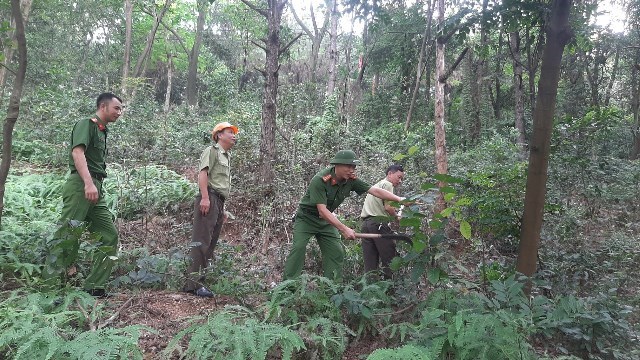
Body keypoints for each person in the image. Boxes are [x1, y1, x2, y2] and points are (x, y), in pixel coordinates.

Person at [44, 92, 123, 297]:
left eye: (121, 109)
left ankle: (94, 286)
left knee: (109, 235)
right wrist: (88, 184)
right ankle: (50, 290)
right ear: (103, 106)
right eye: (116, 108)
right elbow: (77, 153)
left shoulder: (102, 130)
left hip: (96, 186)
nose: (119, 113)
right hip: (82, 185)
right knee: (66, 234)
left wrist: (94, 185)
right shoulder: (86, 124)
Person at [283, 150, 405, 281]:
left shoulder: (351, 181)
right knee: (298, 248)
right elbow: (322, 211)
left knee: (336, 252)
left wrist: (399, 199)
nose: (351, 170)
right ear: (337, 165)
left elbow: (374, 191)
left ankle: (331, 289)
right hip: (306, 219)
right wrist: (344, 228)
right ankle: (288, 287)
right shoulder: (320, 180)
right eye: (348, 166)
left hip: (326, 222)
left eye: (354, 167)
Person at [183, 121, 238, 297]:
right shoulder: (212, 151)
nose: (233, 135)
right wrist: (205, 198)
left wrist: (222, 209)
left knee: (211, 243)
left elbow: (221, 185)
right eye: (230, 132)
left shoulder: (227, 156)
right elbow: (203, 174)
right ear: (219, 135)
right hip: (209, 198)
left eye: (233, 132)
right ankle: (193, 285)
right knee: (201, 241)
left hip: (218, 201)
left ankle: (200, 283)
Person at [360, 165, 405, 280]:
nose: (399, 181)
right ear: (390, 174)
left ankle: (370, 290)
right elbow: (388, 207)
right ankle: (390, 289)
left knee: (370, 261)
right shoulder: (388, 184)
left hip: (366, 225)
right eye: (398, 177)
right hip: (378, 224)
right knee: (390, 258)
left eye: (401, 179)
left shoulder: (376, 186)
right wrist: (396, 217)